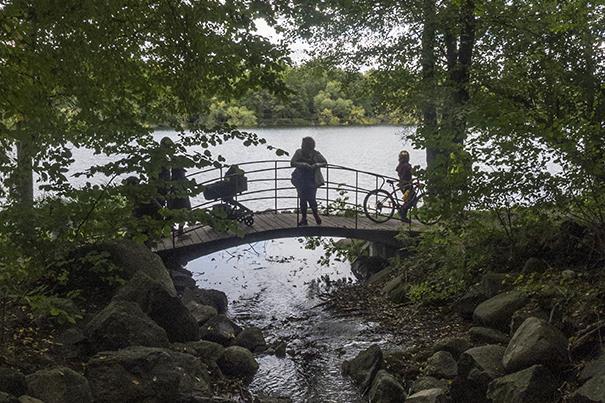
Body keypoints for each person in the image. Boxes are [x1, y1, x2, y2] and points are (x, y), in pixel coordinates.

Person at [290, 137, 327, 226]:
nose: (302, 147)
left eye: (304, 145)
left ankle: (315, 215)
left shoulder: (316, 154)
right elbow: (292, 163)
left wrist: (317, 164)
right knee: (302, 199)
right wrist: (303, 164)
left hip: (312, 180)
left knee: (311, 198)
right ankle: (304, 218)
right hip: (299, 179)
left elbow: (325, 162)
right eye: (302, 145)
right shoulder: (298, 152)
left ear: (310, 147)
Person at [167, 164, 192, 235]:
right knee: (183, 214)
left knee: (171, 213)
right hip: (182, 201)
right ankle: (180, 229)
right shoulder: (182, 180)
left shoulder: (172, 181)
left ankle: (172, 228)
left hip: (174, 201)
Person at [396, 150, 415, 223]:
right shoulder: (407, 166)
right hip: (407, 185)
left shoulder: (399, 165)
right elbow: (406, 176)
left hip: (402, 185)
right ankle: (403, 213)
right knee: (412, 199)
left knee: (408, 199)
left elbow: (400, 174)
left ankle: (403, 214)